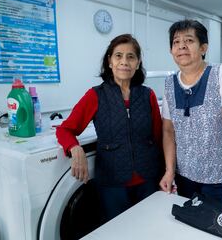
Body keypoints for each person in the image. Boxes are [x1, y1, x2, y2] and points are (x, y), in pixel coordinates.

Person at [56, 34, 162, 222]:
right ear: (110, 61)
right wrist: (74, 147)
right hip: (113, 184)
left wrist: (166, 172)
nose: (124, 62)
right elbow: (65, 129)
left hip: (148, 179)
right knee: (118, 234)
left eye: (131, 57)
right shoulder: (95, 95)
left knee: (150, 228)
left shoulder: (148, 95)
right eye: (118, 56)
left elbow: (158, 137)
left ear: (137, 63)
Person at [159, 19, 222, 218]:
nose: (181, 46)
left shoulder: (221, 73)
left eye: (189, 40)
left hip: (219, 178)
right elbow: (168, 130)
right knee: (188, 227)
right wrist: (169, 170)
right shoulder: (169, 83)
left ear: (203, 47)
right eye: (176, 42)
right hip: (185, 177)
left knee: (217, 229)